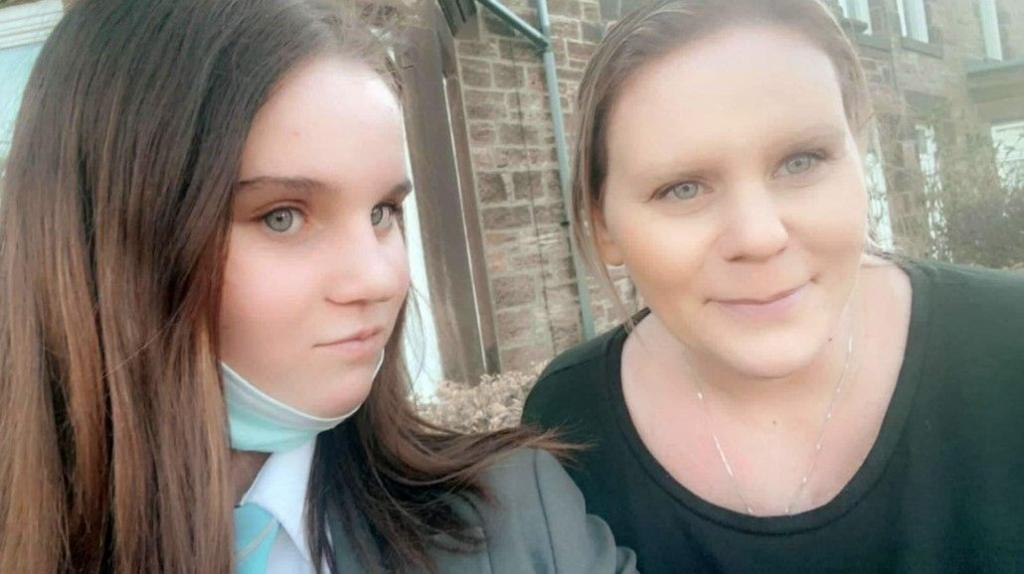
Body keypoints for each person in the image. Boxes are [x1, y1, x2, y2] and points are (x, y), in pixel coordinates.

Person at [0, 1, 639, 572]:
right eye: (283, 215)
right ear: (104, 242)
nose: (381, 279)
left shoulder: (515, 515)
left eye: (383, 212)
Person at [522, 0, 1024, 571]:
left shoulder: (1011, 345)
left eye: (801, 161)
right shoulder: (571, 421)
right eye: (683, 188)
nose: (759, 237)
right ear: (602, 225)